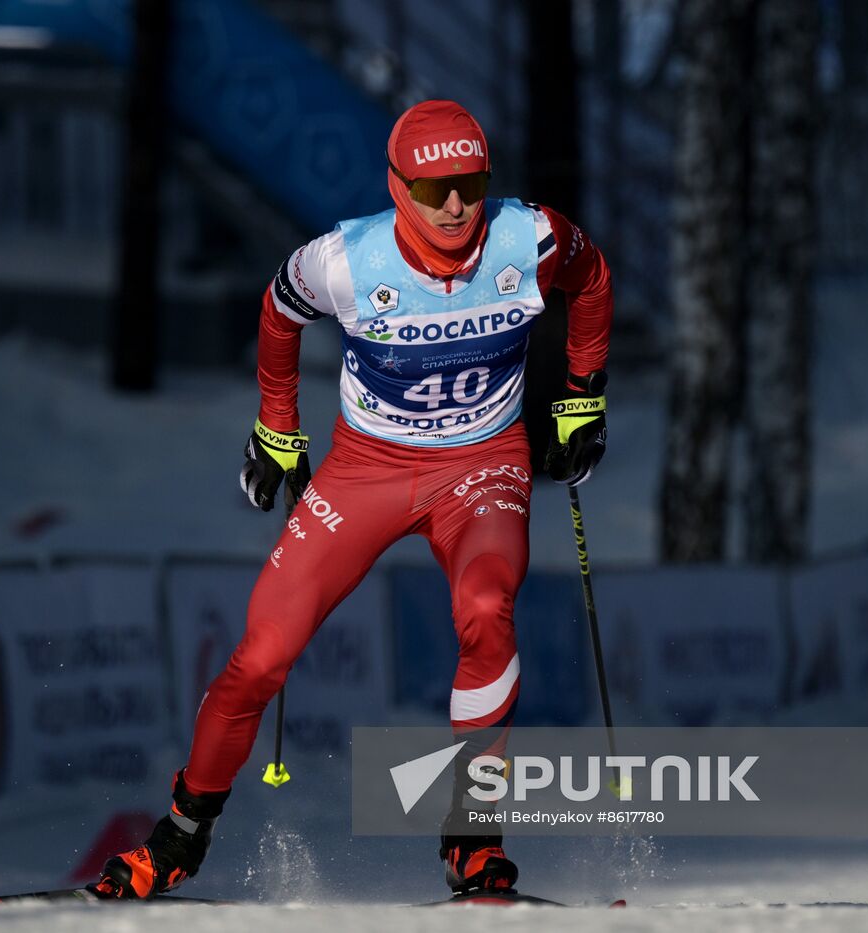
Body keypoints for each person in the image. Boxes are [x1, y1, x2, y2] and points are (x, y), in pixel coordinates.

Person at [94, 99, 612, 900]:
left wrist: (583, 395)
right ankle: (179, 837)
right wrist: (276, 428)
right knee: (261, 657)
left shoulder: (530, 235)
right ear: (397, 186)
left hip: (481, 463)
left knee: (486, 607)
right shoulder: (344, 259)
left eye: (471, 184)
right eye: (433, 187)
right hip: (366, 469)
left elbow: (592, 277)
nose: (454, 206)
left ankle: (474, 834)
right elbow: (276, 311)